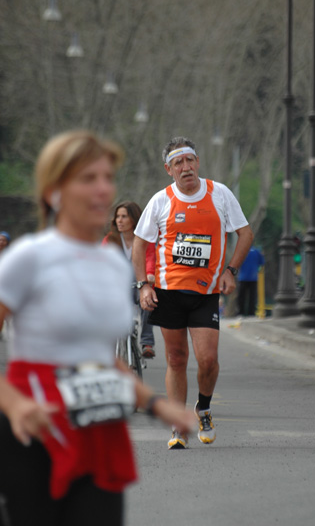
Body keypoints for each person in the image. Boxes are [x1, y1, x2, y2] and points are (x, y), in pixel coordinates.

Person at [0, 130, 195, 526]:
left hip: (97, 422)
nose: (103, 189)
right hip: (36, 419)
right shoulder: (29, 259)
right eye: (88, 178)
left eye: (107, 178)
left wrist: (156, 403)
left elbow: (100, 360)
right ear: (55, 190)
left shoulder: (110, 265)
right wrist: (15, 403)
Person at [132, 136, 253, 449]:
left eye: (189, 161)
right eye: (177, 163)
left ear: (197, 162)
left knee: (208, 360)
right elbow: (139, 245)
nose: (185, 168)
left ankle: (204, 407)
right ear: (168, 169)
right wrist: (144, 285)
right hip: (168, 291)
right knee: (176, 358)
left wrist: (231, 271)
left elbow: (245, 233)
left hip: (206, 291)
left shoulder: (220, 194)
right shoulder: (160, 201)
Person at [103, 201, 156, 358]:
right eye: (117, 217)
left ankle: (147, 342)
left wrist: (150, 274)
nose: (119, 220)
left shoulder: (145, 239)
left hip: (139, 283)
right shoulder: (110, 240)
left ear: (134, 219)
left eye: (124, 217)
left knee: (149, 300)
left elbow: (150, 258)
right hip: (117, 286)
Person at [237, 246, 265, 316]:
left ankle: (241, 312)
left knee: (241, 296)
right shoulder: (257, 251)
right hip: (253, 277)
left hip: (242, 277)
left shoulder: (241, 251)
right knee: (252, 297)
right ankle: (251, 313)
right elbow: (262, 263)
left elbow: (237, 263)